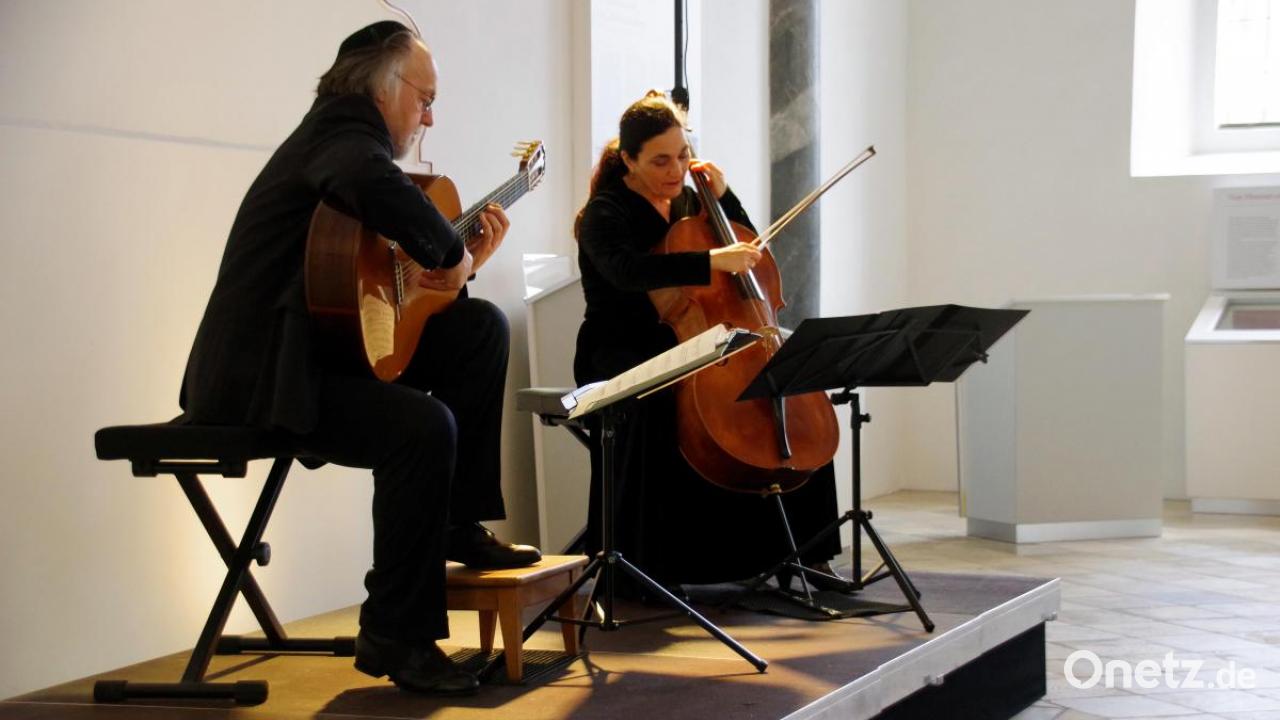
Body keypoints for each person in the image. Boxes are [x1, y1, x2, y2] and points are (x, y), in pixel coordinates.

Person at [178, 21, 539, 696]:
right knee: (421, 427)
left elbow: (359, 279)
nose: (429, 116)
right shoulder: (344, 133)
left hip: (315, 352)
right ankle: (397, 634)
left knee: (478, 327)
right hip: (262, 380)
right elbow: (371, 183)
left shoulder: (341, 142)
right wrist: (449, 251)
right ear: (384, 85)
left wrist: (451, 275)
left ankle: (460, 521)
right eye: (424, 97)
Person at [573, 92, 844, 594]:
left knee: (792, 389)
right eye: (660, 160)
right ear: (628, 159)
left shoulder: (693, 200)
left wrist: (726, 197)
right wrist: (709, 261)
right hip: (625, 350)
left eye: (682, 155)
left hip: (705, 342)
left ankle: (807, 552)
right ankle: (659, 567)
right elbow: (627, 271)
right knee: (658, 409)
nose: (676, 169)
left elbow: (751, 255)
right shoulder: (605, 213)